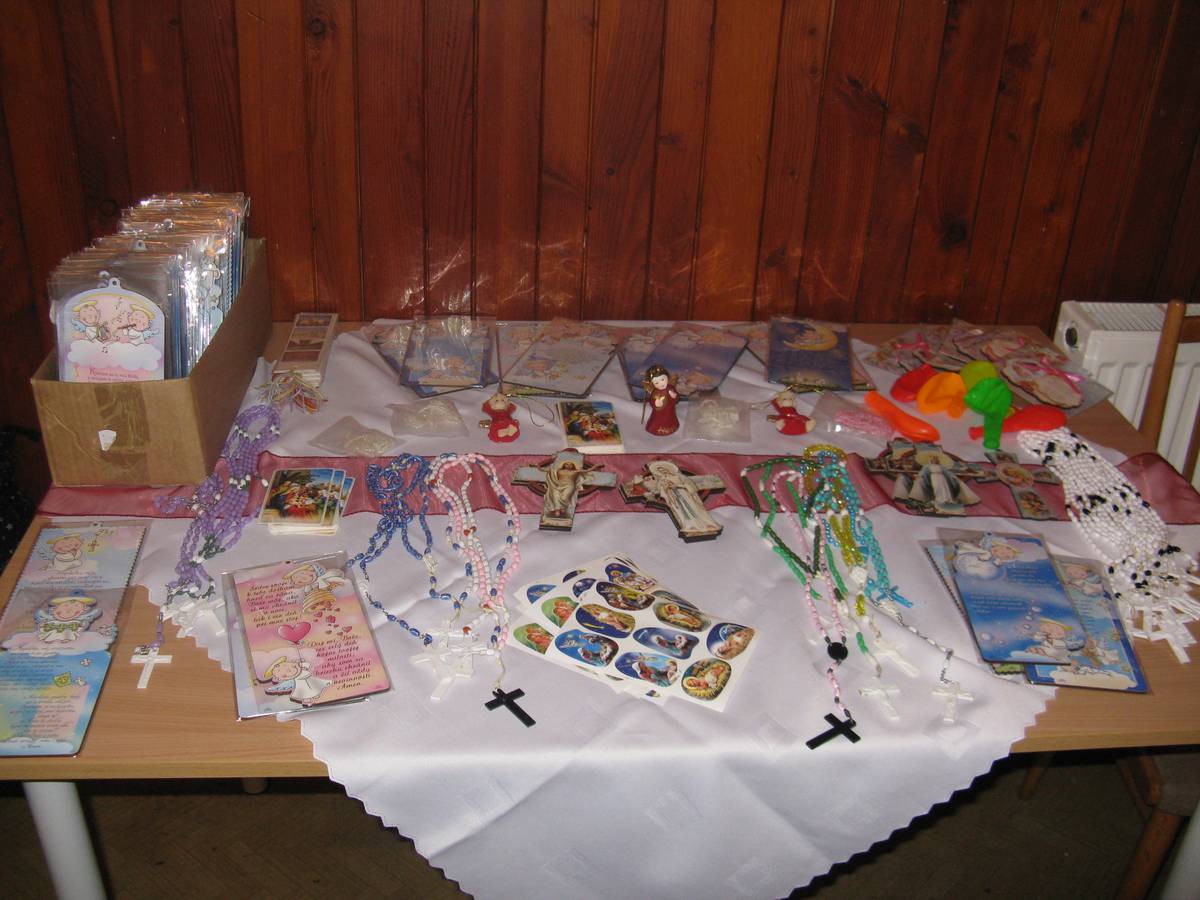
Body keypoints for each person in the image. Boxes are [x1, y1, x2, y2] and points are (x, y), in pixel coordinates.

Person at [261, 655, 331, 707]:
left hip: (310, 679)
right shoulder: (292, 679)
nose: (288, 669)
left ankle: (315, 696)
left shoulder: (301, 667)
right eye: (280, 671)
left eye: (286, 665)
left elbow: (306, 665)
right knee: (306, 692)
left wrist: (301, 663)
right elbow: (283, 684)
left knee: (315, 686)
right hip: (301, 685)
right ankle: (308, 700)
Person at [34, 594, 101, 643]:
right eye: (66, 605)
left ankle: (66, 639)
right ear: (54, 609)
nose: (68, 609)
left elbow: (88, 616)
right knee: (51, 631)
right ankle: (49, 639)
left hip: (70, 625)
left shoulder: (78, 619)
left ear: (84, 610)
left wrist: (81, 623)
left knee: (69, 631)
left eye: (76, 606)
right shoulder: (52, 617)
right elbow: (44, 616)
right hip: (55, 624)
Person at [642, 365, 679, 436]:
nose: (661, 384)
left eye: (662, 380)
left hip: (670, 411)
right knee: (658, 421)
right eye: (656, 383)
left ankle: (672, 427)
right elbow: (652, 400)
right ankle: (655, 428)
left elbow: (676, 398)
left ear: (667, 378)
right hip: (659, 413)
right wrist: (656, 403)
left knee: (671, 419)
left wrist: (674, 396)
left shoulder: (670, 388)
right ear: (652, 384)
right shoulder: (655, 392)